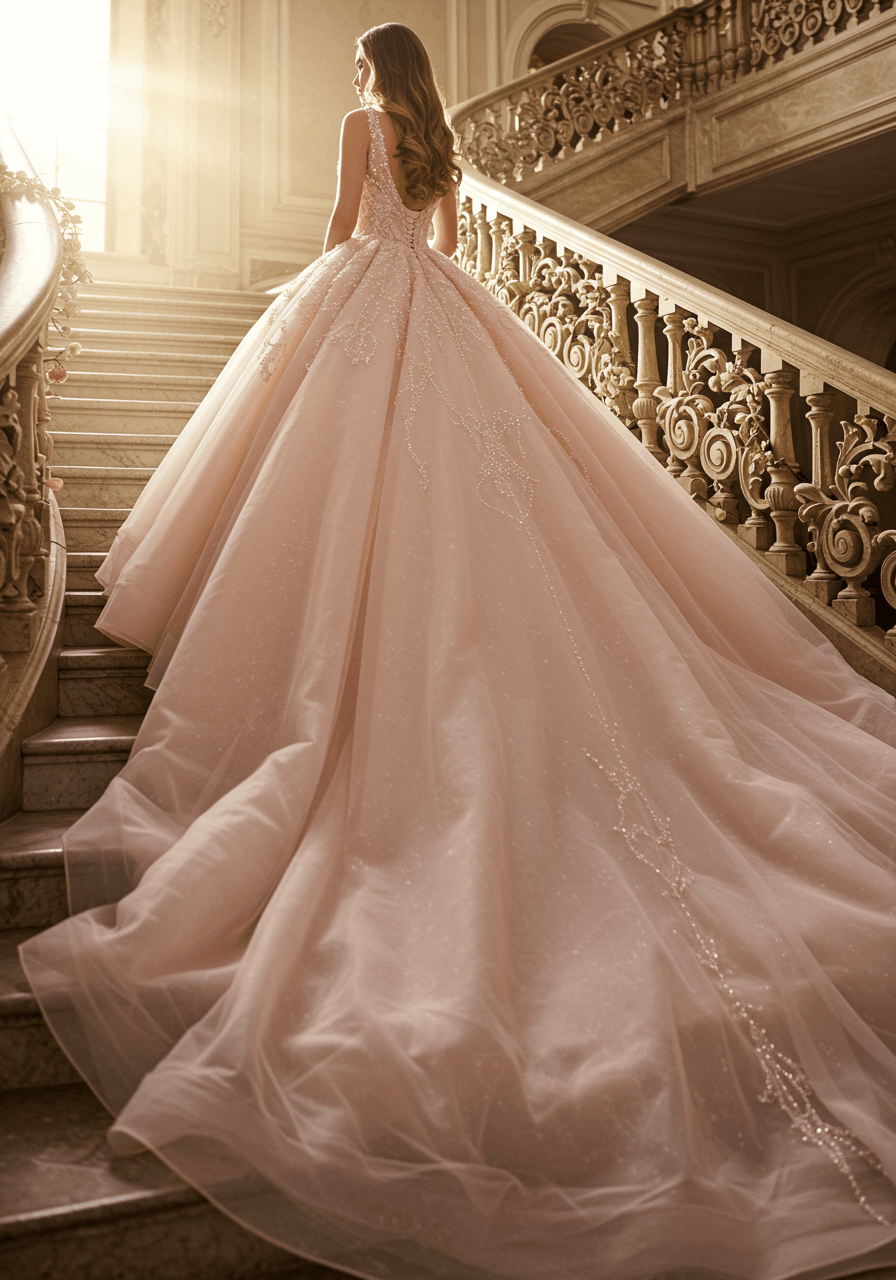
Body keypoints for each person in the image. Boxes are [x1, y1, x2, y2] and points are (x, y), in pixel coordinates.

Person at [21, 22, 896, 1280]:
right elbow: (435, 243)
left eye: (356, 68)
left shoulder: (355, 126)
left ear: (367, 71)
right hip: (443, 310)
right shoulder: (437, 139)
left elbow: (341, 232)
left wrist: (300, 314)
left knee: (335, 497)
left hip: (368, 310)